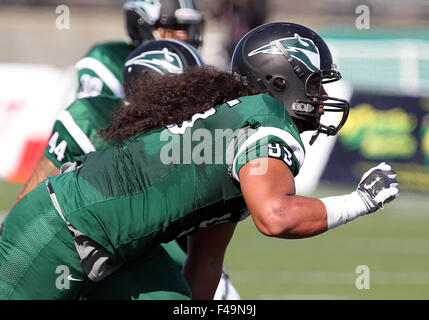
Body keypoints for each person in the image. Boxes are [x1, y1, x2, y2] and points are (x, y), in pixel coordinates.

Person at [0, 22, 399, 300]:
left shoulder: (241, 126)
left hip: (114, 245)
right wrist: (360, 200)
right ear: (280, 79)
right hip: (60, 232)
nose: (319, 97)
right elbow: (276, 216)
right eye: (313, 83)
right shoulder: (264, 120)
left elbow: (205, 264)